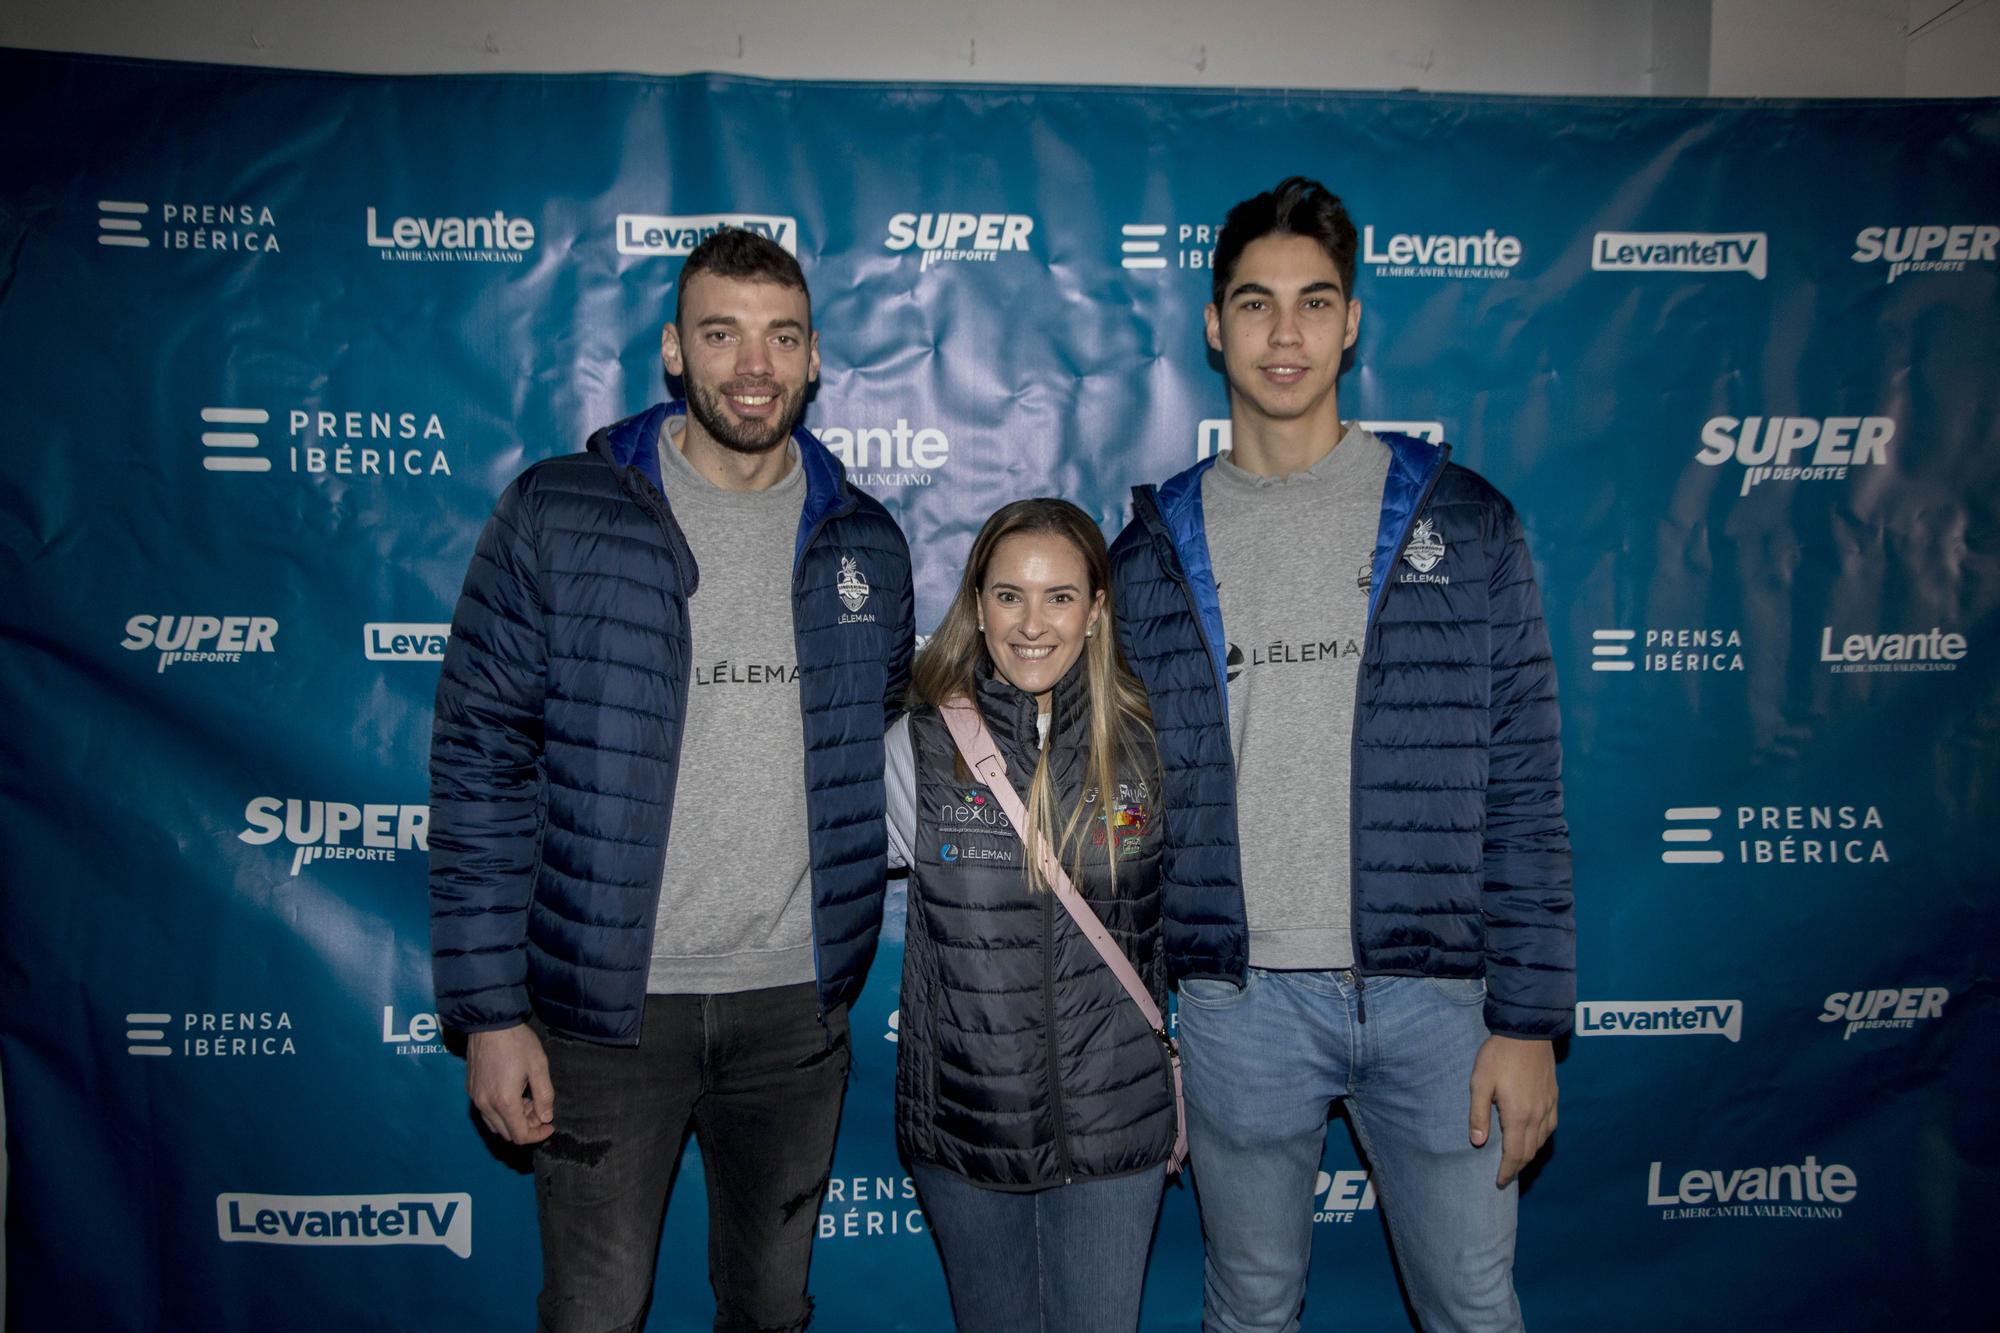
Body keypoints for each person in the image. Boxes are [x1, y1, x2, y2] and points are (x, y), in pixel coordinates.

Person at [1108, 177, 1574, 1332]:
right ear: (1213, 324)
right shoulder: (1151, 548)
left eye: (1313, 303)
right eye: (1255, 304)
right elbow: (1117, 798)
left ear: (1351, 322)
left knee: (1471, 1305)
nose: (1283, 334)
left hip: (1440, 1004)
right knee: (1251, 1306)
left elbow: (1522, 781)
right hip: (1236, 1006)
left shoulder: (1461, 520)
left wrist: (1526, 1019)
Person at [428, 227, 913, 1333]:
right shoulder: (559, 512)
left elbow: (872, 752)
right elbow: (478, 761)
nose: (754, 363)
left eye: (780, 335)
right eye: (722, 332)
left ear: (814, 357)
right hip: (605, 1015)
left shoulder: (866, 544)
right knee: (594, 1315)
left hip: (794, 1014)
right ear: (672, 352)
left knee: (771, 1310)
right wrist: (491, 1011)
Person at [885, 498, 1175, 1333]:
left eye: (1059, 596)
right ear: (978, 607)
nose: (1032, 622)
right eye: (1009, 595)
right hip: (968, 1133)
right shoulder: (915, 749)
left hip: (1117, 1130)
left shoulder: (1151, 745)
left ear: (1096, 610)